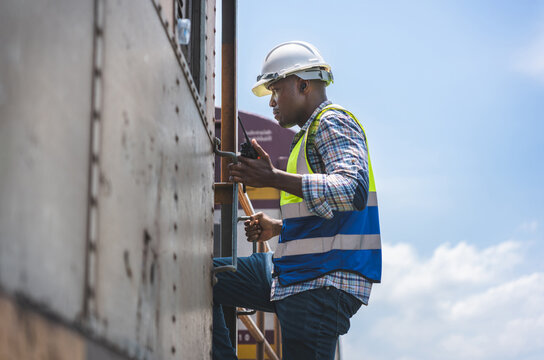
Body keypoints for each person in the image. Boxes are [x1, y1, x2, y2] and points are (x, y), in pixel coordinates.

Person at [213, 41, 382, 360]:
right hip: (294, 273)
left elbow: (352, 189)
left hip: (322, 282)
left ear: (303, 85)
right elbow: (328, 210)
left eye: (276, 91)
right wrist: (277, 227)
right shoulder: (305, 136)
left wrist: (272, 177)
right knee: (209, 276)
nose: (272, 103)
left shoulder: (332, 122)